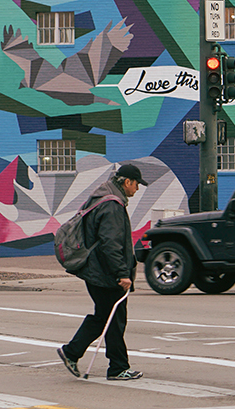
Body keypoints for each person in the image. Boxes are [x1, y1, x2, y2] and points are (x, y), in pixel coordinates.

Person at [56, 163, 146, 381]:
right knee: (114, 320)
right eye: (136, 185)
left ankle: (73, 352)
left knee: (105, 318)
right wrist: (121, 274)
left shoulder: (102, 197)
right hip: (105, 273)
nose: (137, 189)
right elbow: (111, 244)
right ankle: (116, 367)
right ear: (127, 182)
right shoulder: (113, 205)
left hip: (96, 270)